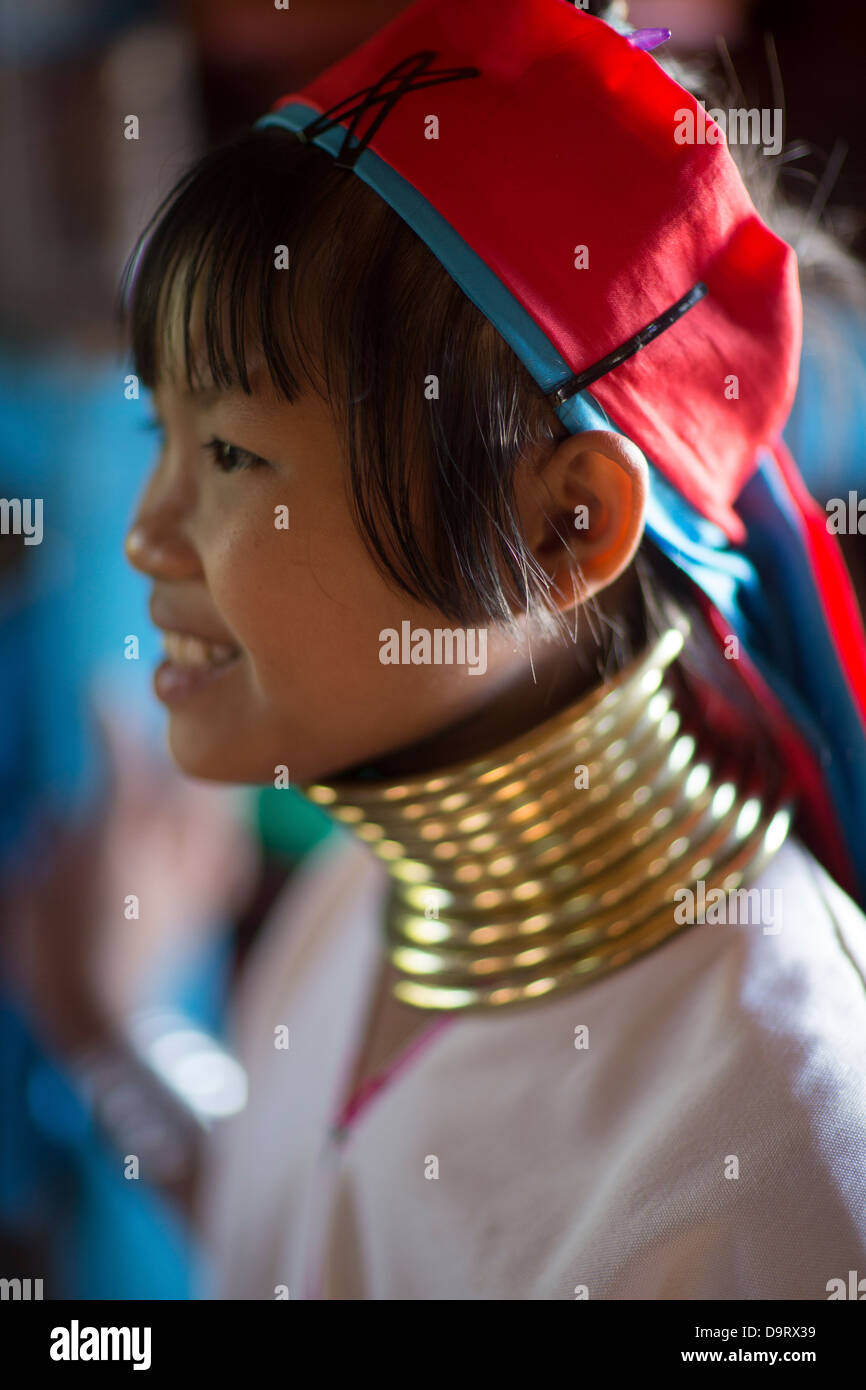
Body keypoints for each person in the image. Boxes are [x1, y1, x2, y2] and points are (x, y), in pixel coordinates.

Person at [119, 0, 866, 1299]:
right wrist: (116, 1032)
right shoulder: (370, 901)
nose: (149, 535)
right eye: (159, 438)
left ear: (567, 521)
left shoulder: (767, 1173)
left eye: (232, 454)